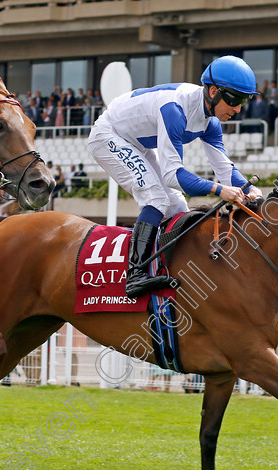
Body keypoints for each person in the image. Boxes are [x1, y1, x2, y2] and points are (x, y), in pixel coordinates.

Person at [88, 55, 262, 297]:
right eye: (234, 99)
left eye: (245, 100)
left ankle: (166, 266)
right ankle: (135, 274)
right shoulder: (175, 110)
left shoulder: (211, 122)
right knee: (156, 198)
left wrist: (247, 188)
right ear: (213, 91)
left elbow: (224, 169)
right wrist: (220, 190)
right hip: (109, 135)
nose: (238, 108)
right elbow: (172, 175)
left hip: (137, 142)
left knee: (177, 204)